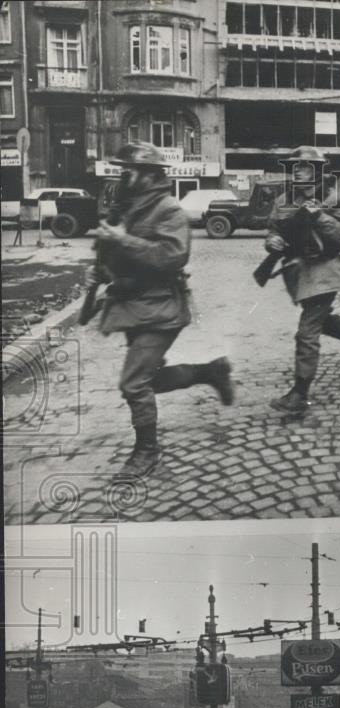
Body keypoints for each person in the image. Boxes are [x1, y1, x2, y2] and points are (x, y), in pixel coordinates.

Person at [94, 142, 233, 478]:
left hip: (160, 308)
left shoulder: (167, 208)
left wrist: (120, 241)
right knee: (148, 379)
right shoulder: (128, 206)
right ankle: (210, 372)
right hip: (133, 307)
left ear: (150, 174)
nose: (123, 173)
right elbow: (117, 253)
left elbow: (172, 255)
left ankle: (148, 454)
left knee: (133, 384)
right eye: (122, 168)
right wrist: (100, 268)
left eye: (130, 169)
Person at [264, 146, 340, 415]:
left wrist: (320, 216)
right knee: (319, 320)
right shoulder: (282, 201)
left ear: (317, 171)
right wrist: (272, 242)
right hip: (298, 272)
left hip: (325, 269)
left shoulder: (332, 199)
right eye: (296, 167)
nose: (300, 171)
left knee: (307, 330)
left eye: (306, 167)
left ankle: (300, 394)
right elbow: (272, 230)